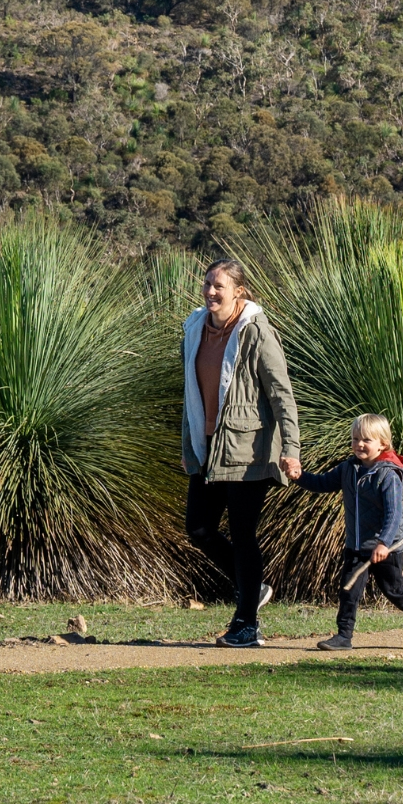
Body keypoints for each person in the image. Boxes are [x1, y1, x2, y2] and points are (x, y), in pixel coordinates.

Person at [181, 258, 300, 649]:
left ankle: (247, 624)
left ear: (239, 292)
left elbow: (282, 393)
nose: (211, 291)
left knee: (244, 534)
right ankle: (253, 587)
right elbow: (191, 396)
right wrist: (190, 445)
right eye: (208, 284)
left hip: (250, 449)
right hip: (209, 446)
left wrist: (292, 448)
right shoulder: (195, 328)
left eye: (220, 286)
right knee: (199, 529)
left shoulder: (256, 332)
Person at [286, 413, 403, 652]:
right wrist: (299, 476)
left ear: (383, 444)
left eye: (366, 439)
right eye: (355, 439)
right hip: (356, 545)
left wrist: (384, 543)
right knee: (349, 589)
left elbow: (393, 514)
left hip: (387, 547)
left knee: (393, 590)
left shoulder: (389, 474)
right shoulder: (348, 468)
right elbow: (322, 483)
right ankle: (343, 636)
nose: (359, 444)